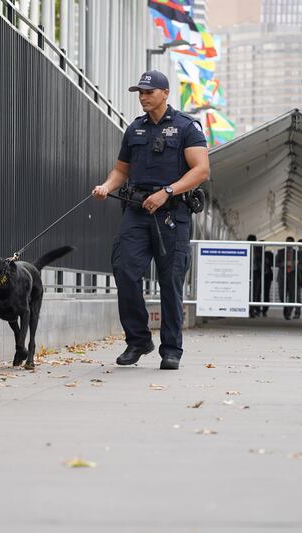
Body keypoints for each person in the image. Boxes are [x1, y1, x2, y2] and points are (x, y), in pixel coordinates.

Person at [92, 70, 209, 370]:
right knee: (124, 270)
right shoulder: (134, 130)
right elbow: (121, 170)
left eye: (149, 92)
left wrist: (167, 192)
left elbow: (201, 170)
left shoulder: (187, 127)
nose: (143, 97)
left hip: (172, 214)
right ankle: (139, 340)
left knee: (170, 282)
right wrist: (107, 186)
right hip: (137, 210)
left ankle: (171, 349)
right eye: (140, 92)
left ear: (165, 93)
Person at [275, 237, 297, 320]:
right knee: (282, 294)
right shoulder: (280, 252)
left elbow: (301, 264)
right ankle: (285, 309)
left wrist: (295, 264)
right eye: (287, 242)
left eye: (290, 243)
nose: (289, 244)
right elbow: (276, 263)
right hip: (282, 275)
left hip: (292, 275)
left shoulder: (296, 253)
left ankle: (288, 312)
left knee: (292, 295)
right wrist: (283, 264)